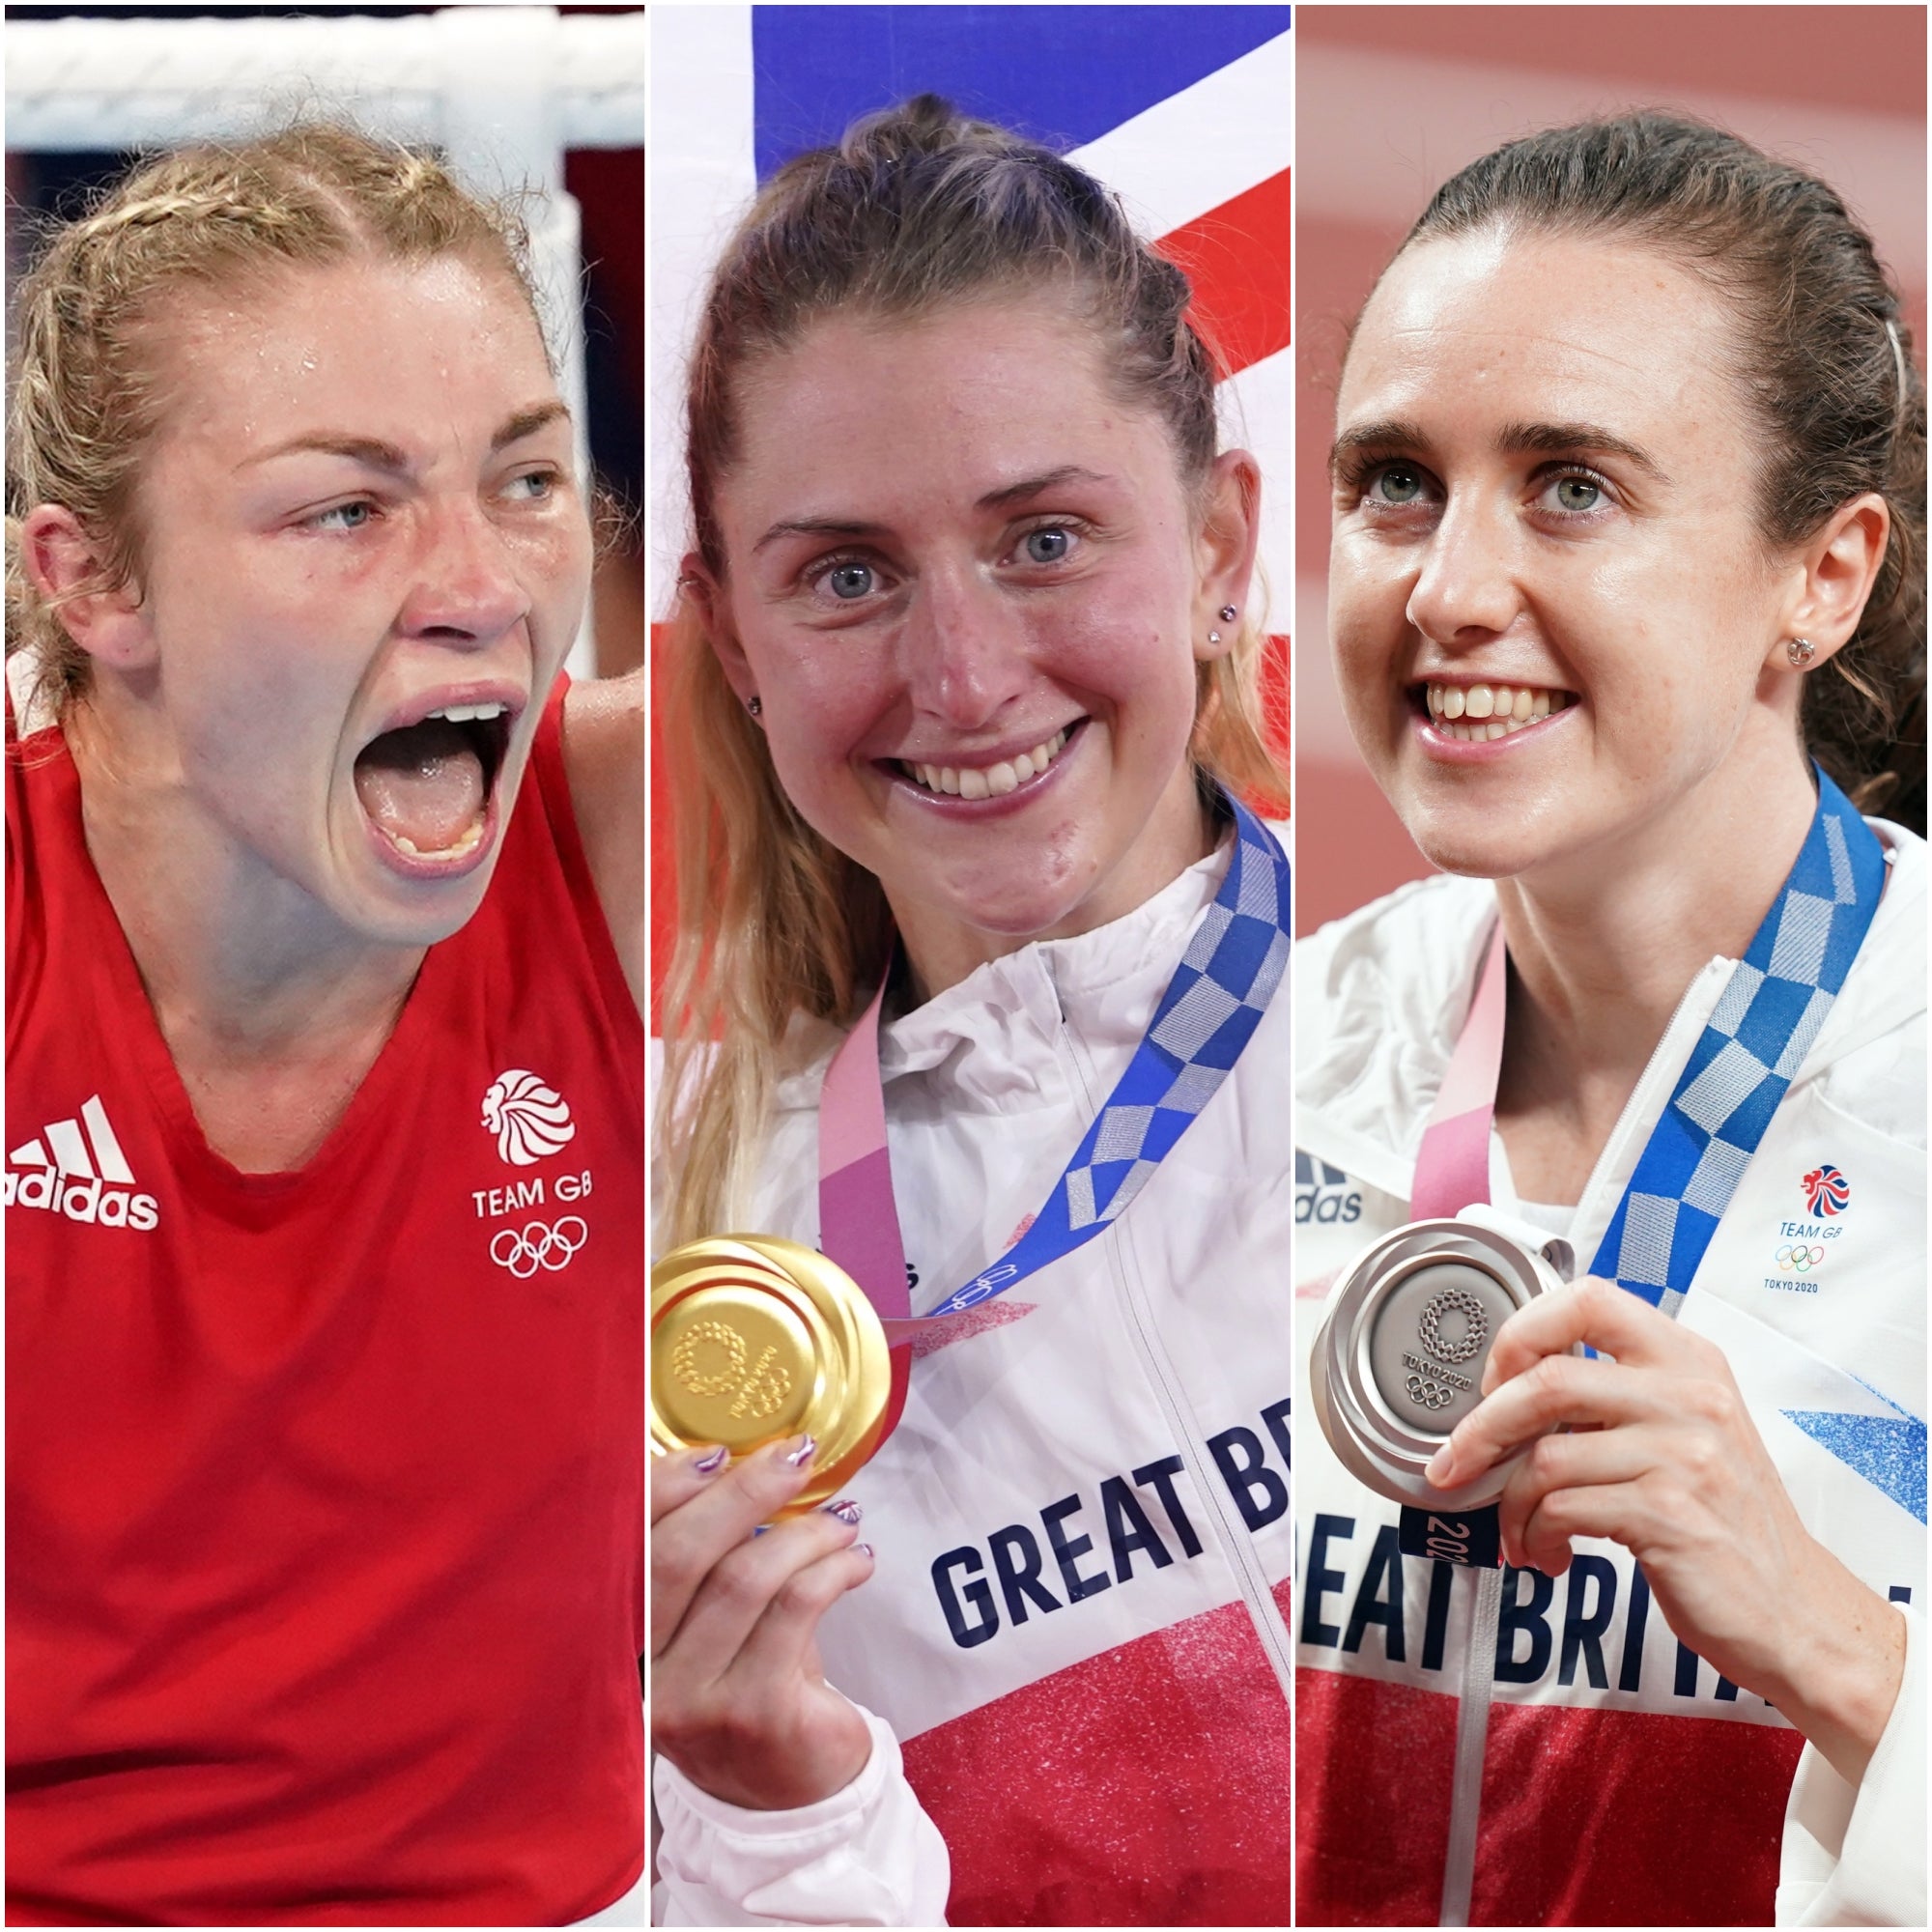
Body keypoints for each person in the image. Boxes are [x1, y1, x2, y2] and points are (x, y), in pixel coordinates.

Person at [650, 98, 1293, 1927]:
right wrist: (771, 1821)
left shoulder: (1481, 1036)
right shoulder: (686, 1256)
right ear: (733, 639)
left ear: (1222, 545)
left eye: (1045, 540)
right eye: (846, 577)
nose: (961, 676)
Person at [5, 127, 645, 1926]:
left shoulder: (614, 829)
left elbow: (1038, 658)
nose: (483, 586)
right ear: (94, 581)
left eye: (524, 480)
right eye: (346, 508)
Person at [1293, 115, 1924, 1927]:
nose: (1448, 588)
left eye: (1571, 485)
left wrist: (1840, 1653)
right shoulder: (1261, 1060)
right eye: (1397, 481)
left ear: (1822, 575)